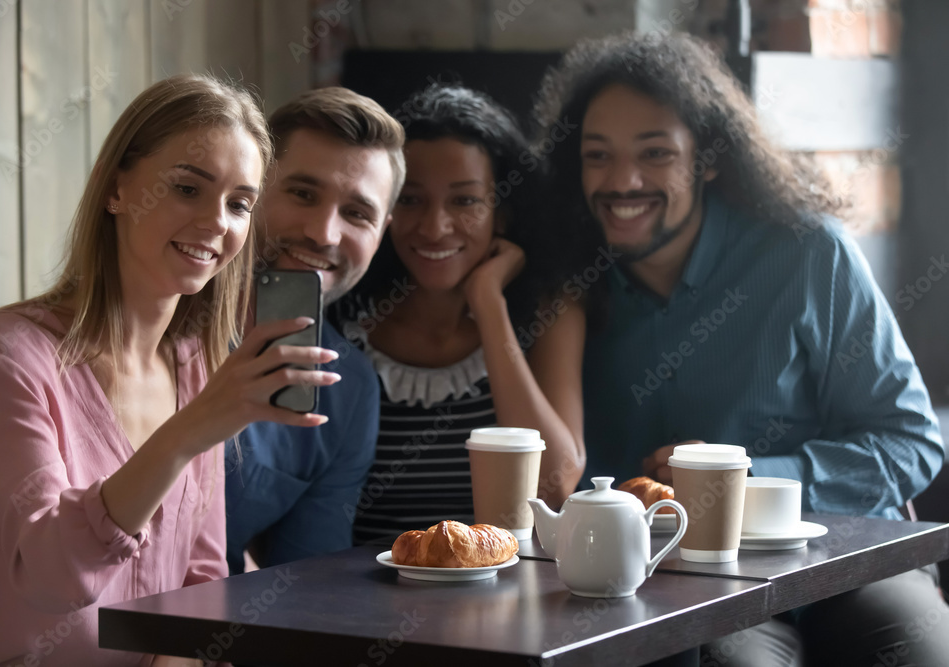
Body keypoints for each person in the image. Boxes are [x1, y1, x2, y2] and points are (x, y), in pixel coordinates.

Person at [533, 32, 949, 666]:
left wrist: (749, 478)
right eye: (598, 156)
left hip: (852, 563)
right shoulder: (567, 285)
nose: (623, 181)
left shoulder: (809, 253)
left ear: (709, 159)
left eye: (655, 153)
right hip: (695, 588)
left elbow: (912, 440)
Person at [0, 74, 340, 666]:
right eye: (187, 188)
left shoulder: (195, 366)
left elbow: (202, 582)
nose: (217, 222)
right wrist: (187, 434)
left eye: (240, 204)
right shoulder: (4, 360)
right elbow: (51, 578)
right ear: (116, 190)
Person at [340, 84, 586, 545]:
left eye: (465, 200)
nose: (435, 227)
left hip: (501, 593)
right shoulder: (341, 315)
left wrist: (489, 303)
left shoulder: (549, 310)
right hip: (359, 594)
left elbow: (555, 483)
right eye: (410, 200)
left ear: (504, 213)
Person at [224, 87, 405, 572]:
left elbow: (306, 585)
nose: (323, 233)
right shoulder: (156, 323)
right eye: (303, 194)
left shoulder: (348, 389)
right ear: (253, 186)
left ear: (381, 233)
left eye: (357, 214)